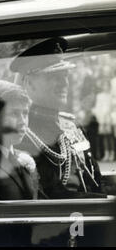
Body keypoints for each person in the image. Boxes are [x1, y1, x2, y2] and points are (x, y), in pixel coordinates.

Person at [10, 37, 105, 199]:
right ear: (29, 83)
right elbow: (50, 196)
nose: (64, 83)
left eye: (65, 75)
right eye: (53, 76)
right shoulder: (21, 132)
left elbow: (95, 179)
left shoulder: (71, 125)